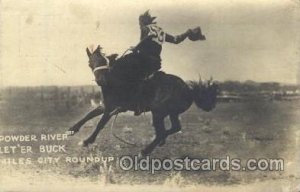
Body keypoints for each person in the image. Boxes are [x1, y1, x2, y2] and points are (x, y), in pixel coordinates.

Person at [131, 10, 206, 78]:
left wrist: (136, 48)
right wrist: (187, 33)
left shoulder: (145, 28)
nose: (139, 26)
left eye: (139, 24)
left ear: (143, 22)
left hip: (145, 61)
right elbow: (175, 40)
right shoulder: (160, 31)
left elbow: (148, 38)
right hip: (156, 62)